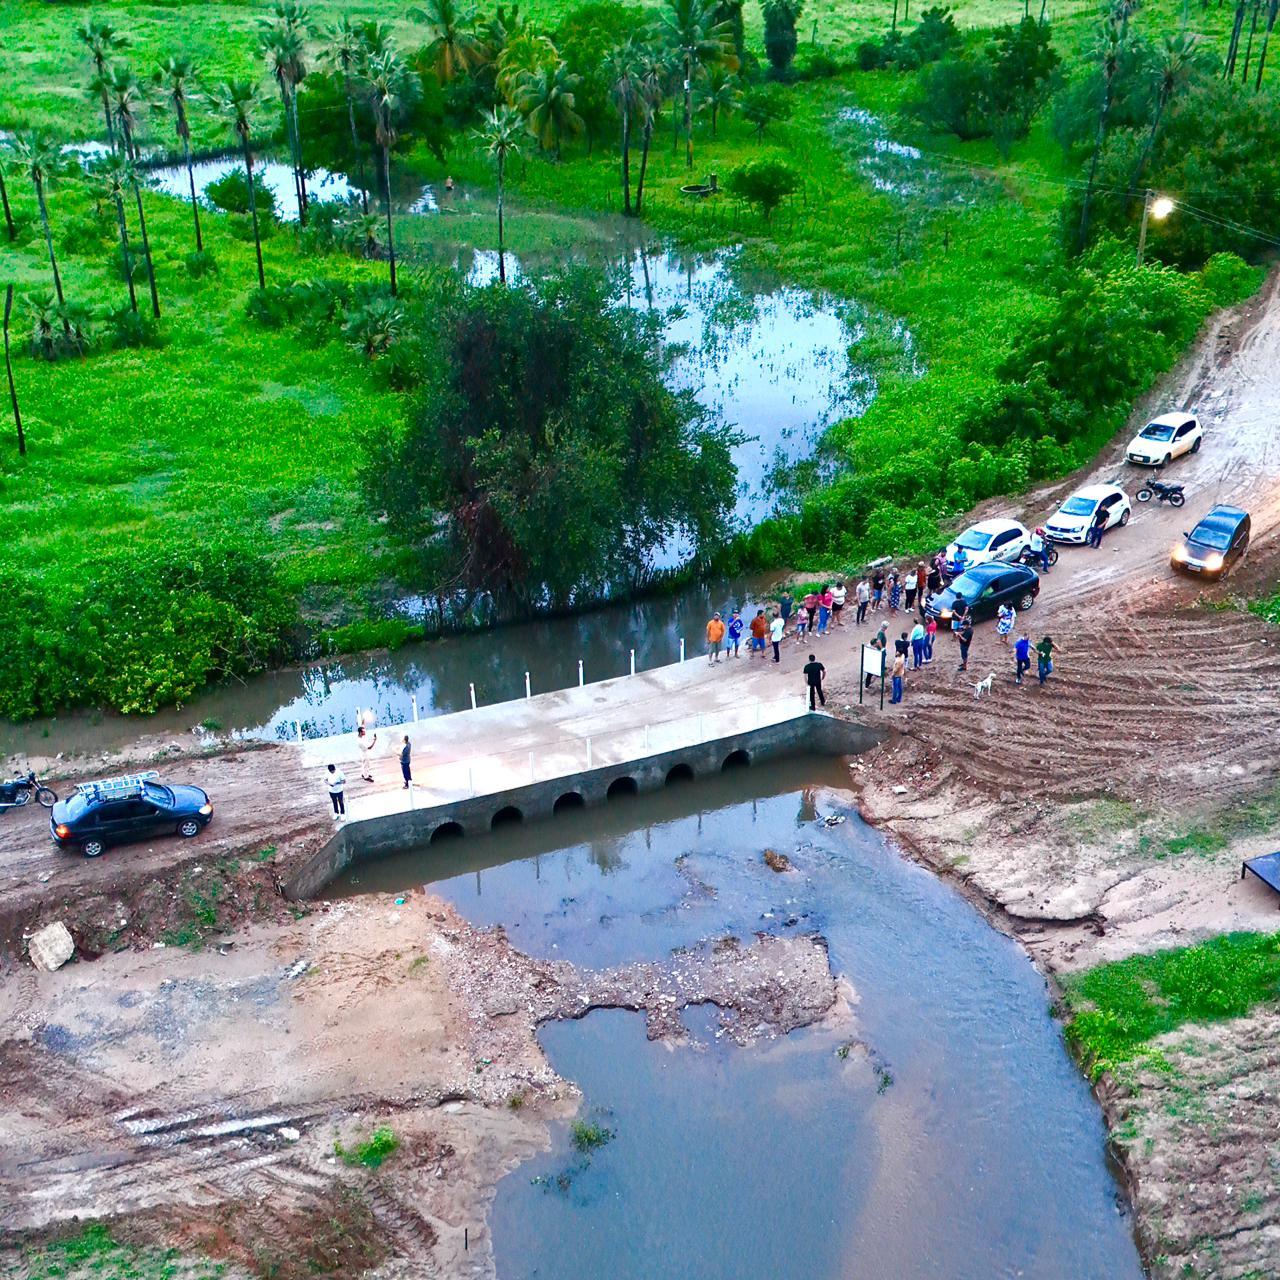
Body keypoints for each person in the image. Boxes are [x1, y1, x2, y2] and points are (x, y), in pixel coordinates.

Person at [865, 622, 888, 688]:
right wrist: (882, 649)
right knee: (869, 674)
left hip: (872, 661)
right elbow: (878, 641)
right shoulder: (872, 648)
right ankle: (867, 685)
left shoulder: (871, 647)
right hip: (871, 663)